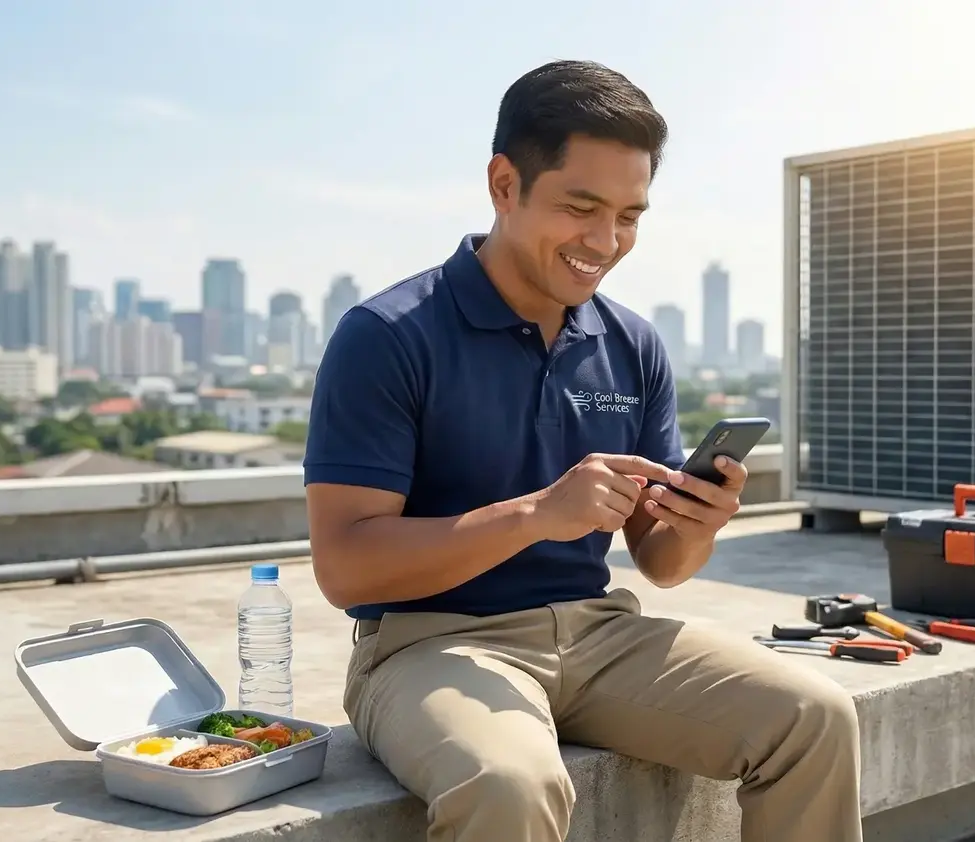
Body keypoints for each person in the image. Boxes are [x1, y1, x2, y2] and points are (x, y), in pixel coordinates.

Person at [304, 59, 863, 842]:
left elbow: (662, 563)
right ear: (505, 184)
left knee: (815, 716)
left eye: (630, 215)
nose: (606, 242)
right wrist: (534, 515)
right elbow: (345, 568)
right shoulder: (389, 336)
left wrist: (697, 522)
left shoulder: (632, 342)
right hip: (429, 644)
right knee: (511, 783)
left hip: (600, 634)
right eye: (582, 207)